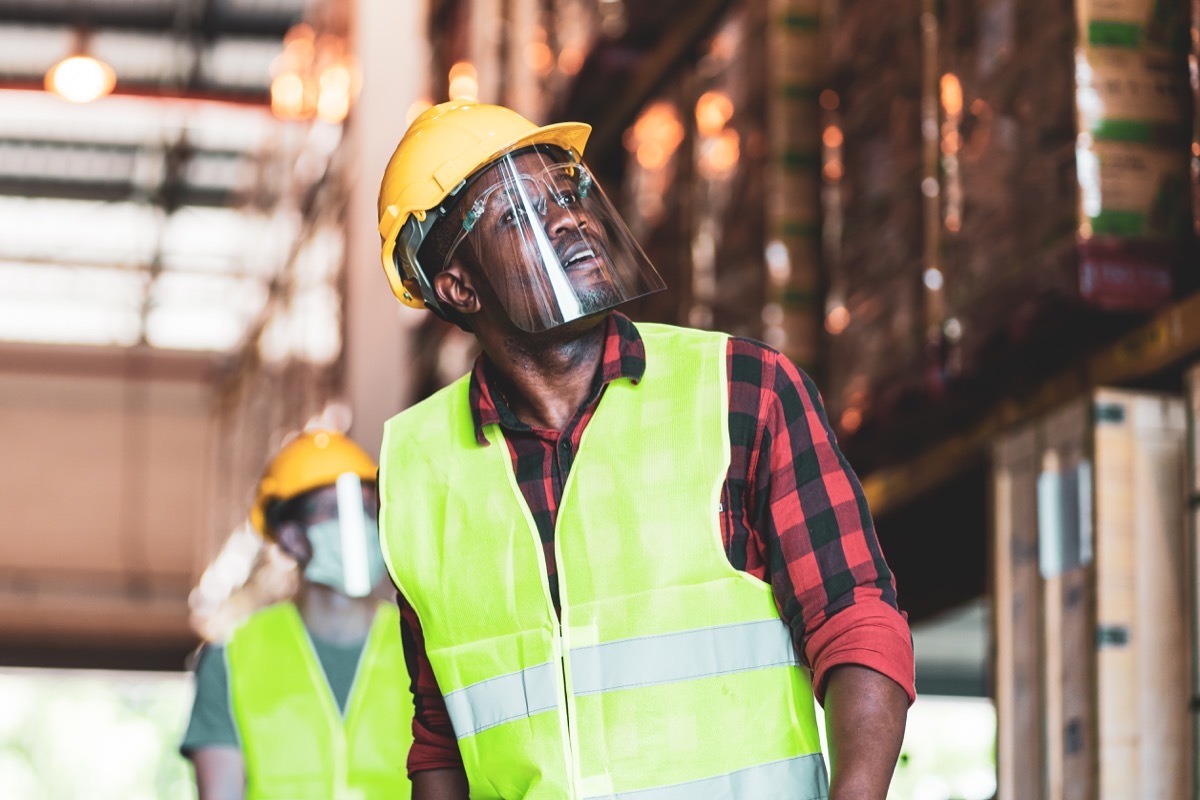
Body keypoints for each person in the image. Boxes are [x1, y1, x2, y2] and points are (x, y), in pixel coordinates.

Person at [375, 100, 915, 800]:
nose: (569, 219)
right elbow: (441, 735)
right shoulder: (419, 470)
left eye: (567, 194)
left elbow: (855, 618)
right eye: (519, 214)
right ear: (458, 287)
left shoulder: (743, 392)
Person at [181, 430, 413, 800]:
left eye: (369, 510)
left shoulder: (422, 647)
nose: (360, 526)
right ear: (290, 537)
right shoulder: (232, 659)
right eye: (337, 511)